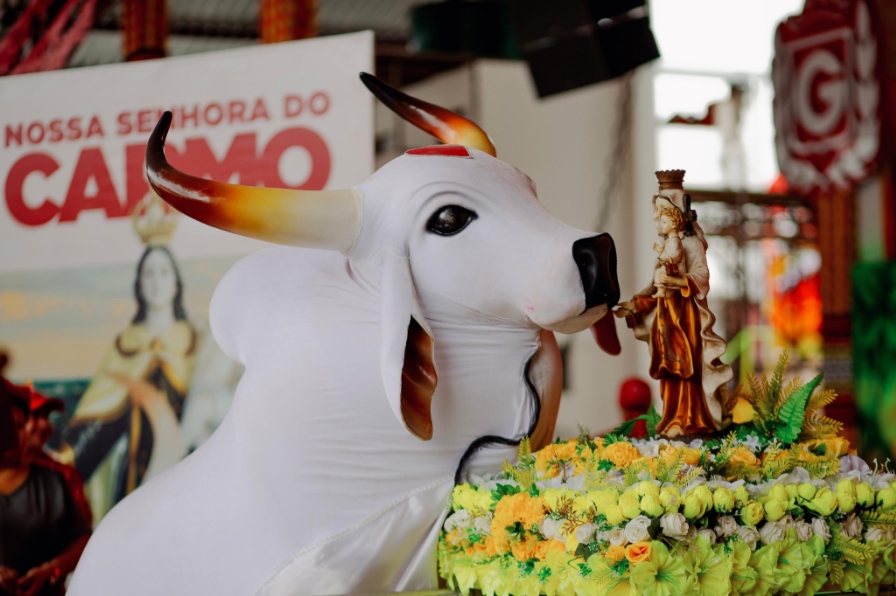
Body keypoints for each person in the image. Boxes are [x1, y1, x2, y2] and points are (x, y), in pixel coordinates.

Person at [61, 244, 197, 521]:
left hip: (183, 466)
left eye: (164, 272)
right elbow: (97, 406)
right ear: (139, 284)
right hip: (129, 468)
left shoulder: (193, 341)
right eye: (148, 273)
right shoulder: (124, 344)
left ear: (175, 283)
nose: (156, 281)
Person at [614, 170, 732, 437]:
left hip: (686, 316)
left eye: (661, 214)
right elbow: (654, 286)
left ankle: (693, 419)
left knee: (687, 368)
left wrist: (677, 282)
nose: (656, 219)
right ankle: (673, 419)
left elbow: (702, 276)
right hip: (666, 316)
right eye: (656, 214)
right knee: (669, 370)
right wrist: (636, 305)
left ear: (676, 215)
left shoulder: (691, 243)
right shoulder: (666, 245)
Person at [0, 379, 90, 596]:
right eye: (37, 416)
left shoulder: (57, 478)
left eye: (19, 425)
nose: (43, 425)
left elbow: (82, 539)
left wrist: (52, 569)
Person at [24, 389, 92, 527]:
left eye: (46, 416)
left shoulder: (64, 473)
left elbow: (82, 527)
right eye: (35, 415)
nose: (44, 424)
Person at [652, 207, 687, 299]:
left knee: (661, 272)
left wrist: (667, 259)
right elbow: (667, 252)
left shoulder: (675, 241)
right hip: (669, 266)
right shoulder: (669, 240)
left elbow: (676, 254)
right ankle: (661, 291)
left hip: (675, 268)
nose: (661, 225)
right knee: (659, 271)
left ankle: (662, 291)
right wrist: (660, 250)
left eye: (664, 222)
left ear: (673, 224)